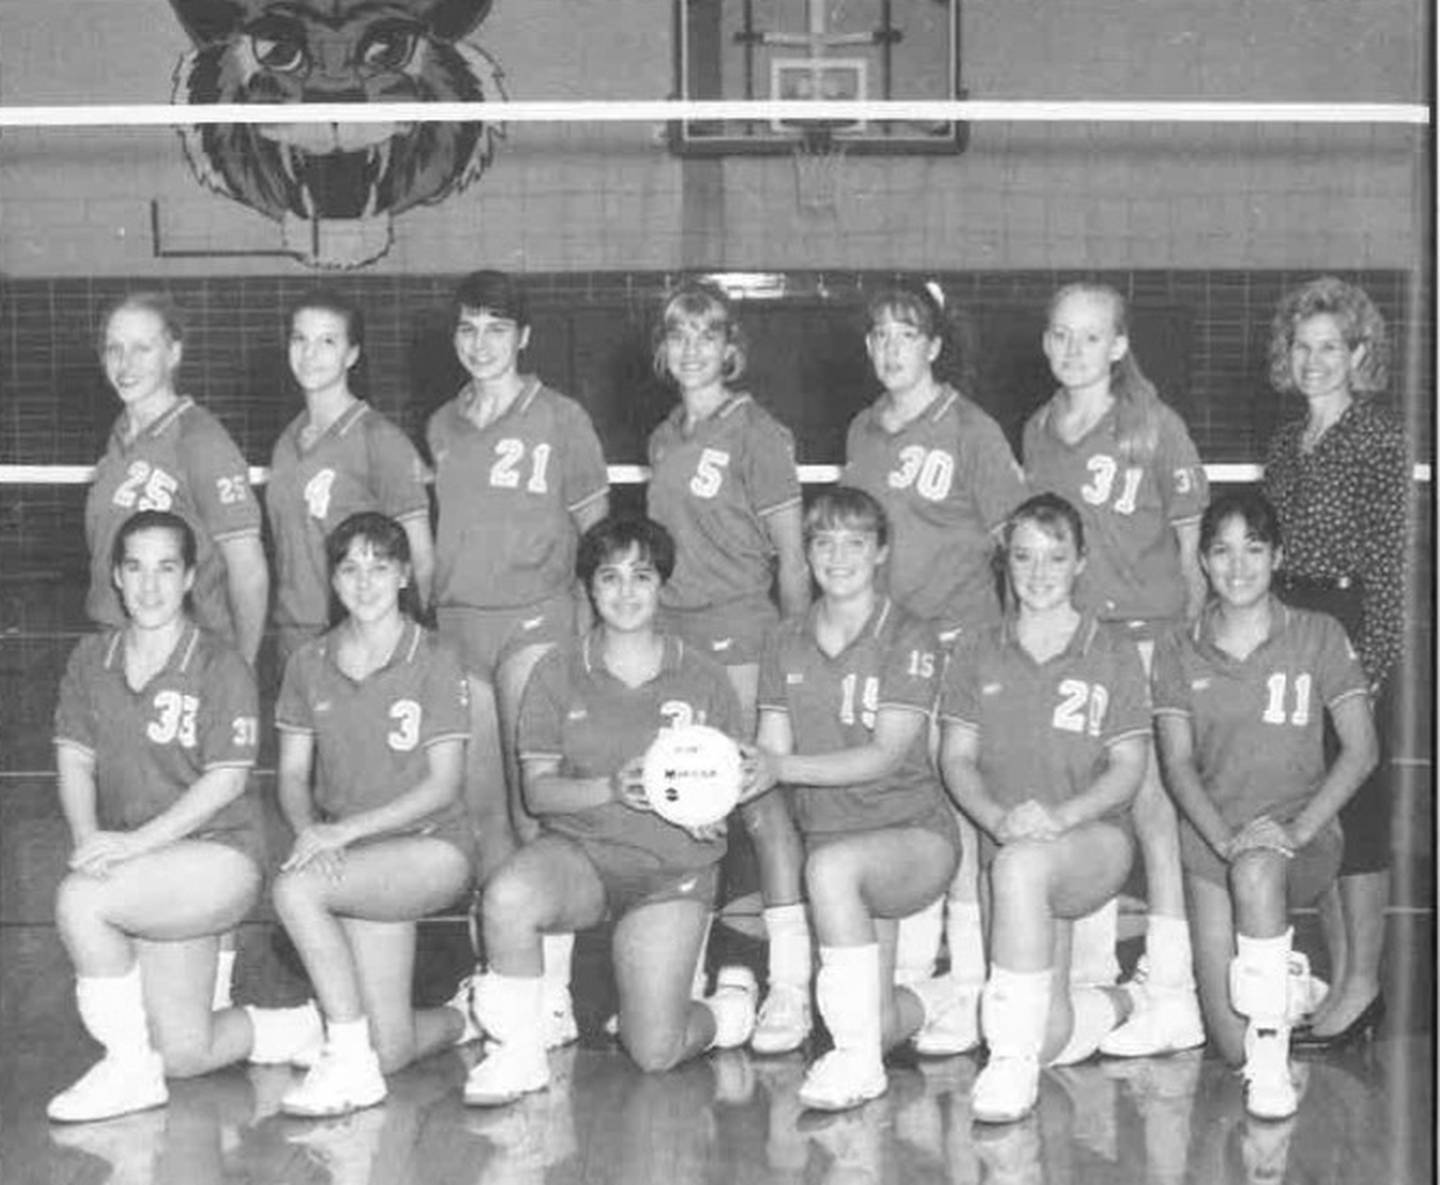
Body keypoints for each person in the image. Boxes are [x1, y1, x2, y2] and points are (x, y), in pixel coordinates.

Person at [463, 516, 758, 1105]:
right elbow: (537, 793)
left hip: (672, 873)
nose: (626, 593)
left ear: (662, 585)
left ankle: (729, 1013)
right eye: (609, 577)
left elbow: (730, 778)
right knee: (507, 897)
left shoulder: (702, 676)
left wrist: (714, 804)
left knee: (654, 1053)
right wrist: (611, 789)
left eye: (641, 576)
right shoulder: (556, 671)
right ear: (589, 589)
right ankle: (518, 1054)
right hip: (583, 858)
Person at [1021, 281, 1209, 1057]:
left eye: (1090, 337)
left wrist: (1184, 645)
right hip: (1078, 640)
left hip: (1148, 636)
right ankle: (1096, 971)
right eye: (1061, 335)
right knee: (1084, 797)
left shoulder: (1154, 427)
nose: (1073, 349)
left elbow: (1193, 553)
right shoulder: (1037, 430)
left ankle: (1172, 988)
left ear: (1120, 345)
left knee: (1154, 805)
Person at [841, 281, 1027, 1054]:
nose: (891, 349)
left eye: (906, 334)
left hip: (961, 639)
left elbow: (1015, 542)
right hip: (892, 644)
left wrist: (1009, 646)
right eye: (879, 335)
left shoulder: (972, 430)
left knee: (961, 800)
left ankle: (976, 979)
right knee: (907, 798)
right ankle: (920, 975)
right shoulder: (861, 429)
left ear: (936, 345)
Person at [427, 270, 611, 1043]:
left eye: (496, 327)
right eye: (468, 327)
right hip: (459, 622)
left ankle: (557, 992)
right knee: (482, 809)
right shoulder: (441, 423)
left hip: (535, 618)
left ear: (524, 336)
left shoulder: (562, 418)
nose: (480, 342)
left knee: (540, 804)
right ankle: (511, 979)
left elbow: (598, 530)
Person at [1153, 490, 1377, 1118]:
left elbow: (1362, 750)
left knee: (1256, 875)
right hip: (1212, 840)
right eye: (1221, 550)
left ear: (1277, 556)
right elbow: (1176, 763)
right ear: (1202, 561)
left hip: (1298, 837)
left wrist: (1295, 832)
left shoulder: (1318, 633)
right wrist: (1225, 840)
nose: (1238, 566)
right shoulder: (1178, 647)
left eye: (1254, 549)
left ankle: (1274, 1059)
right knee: (1229, 1045)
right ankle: (1284, 979)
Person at [49, 510, 267, 1123]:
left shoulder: (220, 664)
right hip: (145, 867)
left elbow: (227, 781)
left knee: (80, 902)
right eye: (136, 568)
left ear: (190, 576)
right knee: (183, 1050)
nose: (150, 586)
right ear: (116, 577)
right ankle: (295, 1029)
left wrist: (131, 846)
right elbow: (74, 758)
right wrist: (90, 838)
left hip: (217, 857)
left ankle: (126, 1069)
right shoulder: (92, 660)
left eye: (166, 568)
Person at [939, 493, 1149, 1123]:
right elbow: (956, 760)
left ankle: (1008, 1063)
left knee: (1021, 869)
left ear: (1081, 562)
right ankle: (1126, 1003)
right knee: (1050, 1038)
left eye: (1055, 557)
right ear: (1005, 562)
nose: (1038, 572)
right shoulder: (977, 648)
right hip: (1007, 842)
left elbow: (1129, 769)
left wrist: (1058, 819)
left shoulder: (1109, 650)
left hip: (1090, 842)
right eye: (1024, 556)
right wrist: (998, 820)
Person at [750, 487, 959, 1111]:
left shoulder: (910, 634)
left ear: (881, 552)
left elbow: (886, 755)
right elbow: (767, 753)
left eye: (855, 542)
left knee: (831, 873)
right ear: (807, 551)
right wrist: (706, 789)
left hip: (912, 839)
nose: (837, 556)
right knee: (871, 1017)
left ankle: (857, 1067)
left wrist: (777, 766)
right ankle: (952, 995)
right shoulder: (784, 639)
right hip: (836, 843)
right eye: (823, 541)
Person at [645, 281, 812, 1052]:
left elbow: (792, 555)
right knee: (690, 804)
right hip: (676, 641)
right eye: (679, 335)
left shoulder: (759, 433)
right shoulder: (663, 435)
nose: (692, 349)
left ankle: (790, 985)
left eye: (707, 334)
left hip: (744, 635)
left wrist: (793, 648)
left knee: (759, 804)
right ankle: (704, 972)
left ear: (731, 346)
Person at [271, 512, 475, 1117]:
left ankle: (347, 1058)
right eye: (350, 568)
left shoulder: (434, 656)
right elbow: (289, 775)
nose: (365, 583)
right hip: (355, 855)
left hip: (432, 848)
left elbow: (444, 786)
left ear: (405, 575)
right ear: (333, 579)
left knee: (295, 891)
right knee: (393, 1047)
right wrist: (312, 828)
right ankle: (467, 1016)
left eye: (379, 568)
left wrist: (344, 831)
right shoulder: (308, 662)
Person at [1261, 276, 1408, 1047]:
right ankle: (1343, 983)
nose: (1315, 361)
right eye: (1303, 346)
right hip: (1288, 631)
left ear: (1359, 353)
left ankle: (1364, 983)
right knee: (1309, 809)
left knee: (1359, 812)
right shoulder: (1286, 443)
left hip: (1349, 634)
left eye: (1331, 347)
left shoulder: (1379, 441)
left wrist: (1372, 670)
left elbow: (1388, 567)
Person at [85, 292, 267, 668]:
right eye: (114, 349)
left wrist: (242, 669)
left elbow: (248, 571)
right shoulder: (119, 436)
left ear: (174, 354)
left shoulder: (202, 440)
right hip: (118, 648)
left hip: (188, 657)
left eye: (142, 349)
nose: (125, 364)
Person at [267, 290, 434, 664]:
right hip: (293, 639)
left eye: (327, 341)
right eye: (300, 339)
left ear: (352, 354)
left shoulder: (381, 440)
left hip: (361, 638)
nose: (309, 354)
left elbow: (421, 559)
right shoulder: (286, 442)